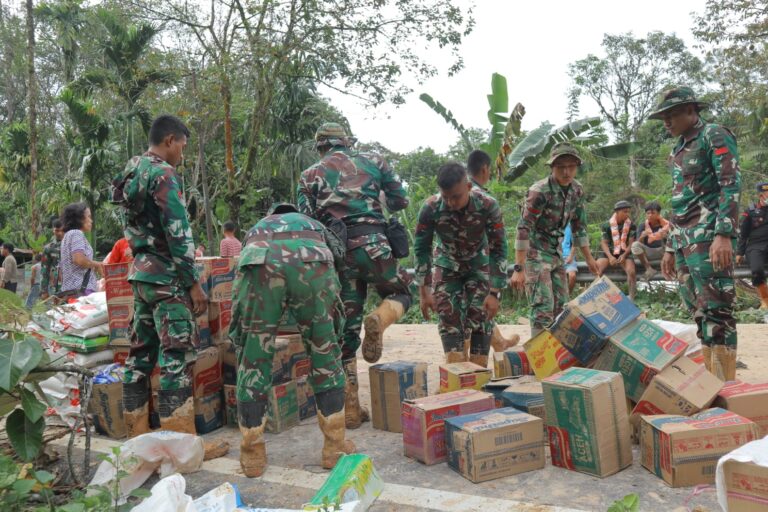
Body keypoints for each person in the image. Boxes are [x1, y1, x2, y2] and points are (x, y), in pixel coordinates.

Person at [298, 122, 413, 429]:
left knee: (346, 335)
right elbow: (400, 201)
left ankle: (350, 410)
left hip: (339, 256)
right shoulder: (374, 160)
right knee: (402, 292)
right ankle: (379, 319)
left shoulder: (309, 175)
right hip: (376, 247)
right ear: (346, 142)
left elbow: (307, 221)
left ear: (321, 147)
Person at [229, 202, 353, 477]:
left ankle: (252, 455)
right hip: (313, 260)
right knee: (325, 353)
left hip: (258, 261)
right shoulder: (314, 226)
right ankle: (334, 449)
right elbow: (340, 257)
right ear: (296, 213)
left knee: (252, 358)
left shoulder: (257, 228)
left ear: (272, 214)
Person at [111, 114, 209, 438]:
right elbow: (177, 232)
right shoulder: (164, 174)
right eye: (182, 145)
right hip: (167, 280)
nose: (182, 152)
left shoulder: (132, 171)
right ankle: (180, 448)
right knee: (176, 358)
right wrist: (193, 283)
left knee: (139, 356)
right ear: (170, 140)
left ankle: (136, 438)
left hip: (140, 277)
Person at [650, 85, 741, 381]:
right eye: (663, 117)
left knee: (718, 311)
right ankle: (712, 383)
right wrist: (670, 246)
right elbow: (680, 199)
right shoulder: (678, 148)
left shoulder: (714, 135)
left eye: (672, 114)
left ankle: (725, 385)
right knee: (699, 312)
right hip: (683, 242)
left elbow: (730, 184)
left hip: (709, 238)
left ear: (691, 111)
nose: (666, 121)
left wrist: (723, 234)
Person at [415, 162, 508, 367]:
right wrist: (424, 292)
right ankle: (456, 371)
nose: (451, 203)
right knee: (447, 317)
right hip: (447, 264)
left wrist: (495, 293)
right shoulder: (430, 208)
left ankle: (478, 373)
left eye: (456, 197)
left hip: (478, 264)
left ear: (468, 187)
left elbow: (499, 249)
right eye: (446, 197)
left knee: (481, 315)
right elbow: (421, 250)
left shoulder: (487, 205)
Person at [510, 142, 600, 337]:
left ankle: (559, 351)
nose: (566, 172)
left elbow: (579, 227)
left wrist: (589, 259)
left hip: (557, 254)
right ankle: (539, 353)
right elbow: (523, 229)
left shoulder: (577, 190)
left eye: (571, 166)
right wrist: (519, 268)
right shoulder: (539, 191)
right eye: (561, 167)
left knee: (562, 309)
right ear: (552, 167)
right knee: (543, 307)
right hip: (536, 253)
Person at [466, 149, 520, 352]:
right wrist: (495, 290)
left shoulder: (452, 193)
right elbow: (498, 245)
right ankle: (493, 346)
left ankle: (499, 343)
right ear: (485, 169)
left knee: (470, 312)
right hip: (479, 268)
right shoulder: (485, 200)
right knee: (481, 311)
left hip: (452, 268)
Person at [597, 201, 638, 300]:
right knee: (597, 270)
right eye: (625, 212)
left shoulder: (631, 225)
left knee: (631, 272)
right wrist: (610, 257)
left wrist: (624, 255)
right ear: (617, 212)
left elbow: (631, 243)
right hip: (609, 252)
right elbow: (604, 243)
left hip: (624, 251)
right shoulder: (606, 225)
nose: (627, 214)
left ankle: (632, 298)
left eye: (628, 212)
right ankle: (599, 298)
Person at [736, 182, 768, 309]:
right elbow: (743, 234)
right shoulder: (751, 210)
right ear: (761, 195)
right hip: (756, 246)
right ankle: (765, 299)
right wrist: (739, 253)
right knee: (757, 270)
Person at [59, 203, 101, 297]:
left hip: (70, 289)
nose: (91, 221)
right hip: (81, 290)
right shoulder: (76, 233)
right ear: (80, 218)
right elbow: (79, 259)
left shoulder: (67, 236)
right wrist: (97, 264)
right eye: (89, 217)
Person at [631, 201, 670, 279]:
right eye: (648, 213)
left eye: (653, 213)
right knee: (635, 245)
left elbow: (674, 241)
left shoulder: (666, 225)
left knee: (675, 245)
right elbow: (639, 243)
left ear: (658, 214)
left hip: (664, 252)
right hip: (649, 252)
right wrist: (642, 236)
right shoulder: (642, 226)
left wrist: (666, 236)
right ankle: (649, 269)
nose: (650, 215)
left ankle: (671, 269)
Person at [40, 220, 64, 300]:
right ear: (53, 230)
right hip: (56, 286)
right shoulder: (48, 248)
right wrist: (44, 291)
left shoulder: (72, 245)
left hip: (73, 284)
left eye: (62, 230)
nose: (59, 233)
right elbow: (44, 270)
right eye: (57, 230)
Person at [562, 223, 578, 294]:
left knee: (572, 276)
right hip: (554, 257)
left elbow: (575, 243)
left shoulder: (570, 226)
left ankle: (568, 295)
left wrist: (571, 256)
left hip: (567, 256)